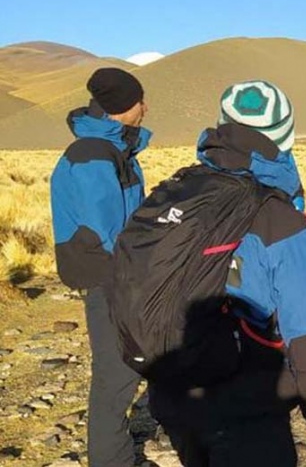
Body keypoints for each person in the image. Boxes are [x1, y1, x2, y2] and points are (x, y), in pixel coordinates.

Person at [146, 81, 306, 466]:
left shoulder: (176, 193)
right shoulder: (283, 223)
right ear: (285, 137)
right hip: (248, 407)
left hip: (175, 395)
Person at [50, 68, 151, 466]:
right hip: (109, 277)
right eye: (141, 99)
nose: (146, 107)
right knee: (115, 374)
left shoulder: (109, 148)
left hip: (117, 273)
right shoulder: (93, 154)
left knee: (125, 366)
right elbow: (108, 228)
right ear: (126, 107)